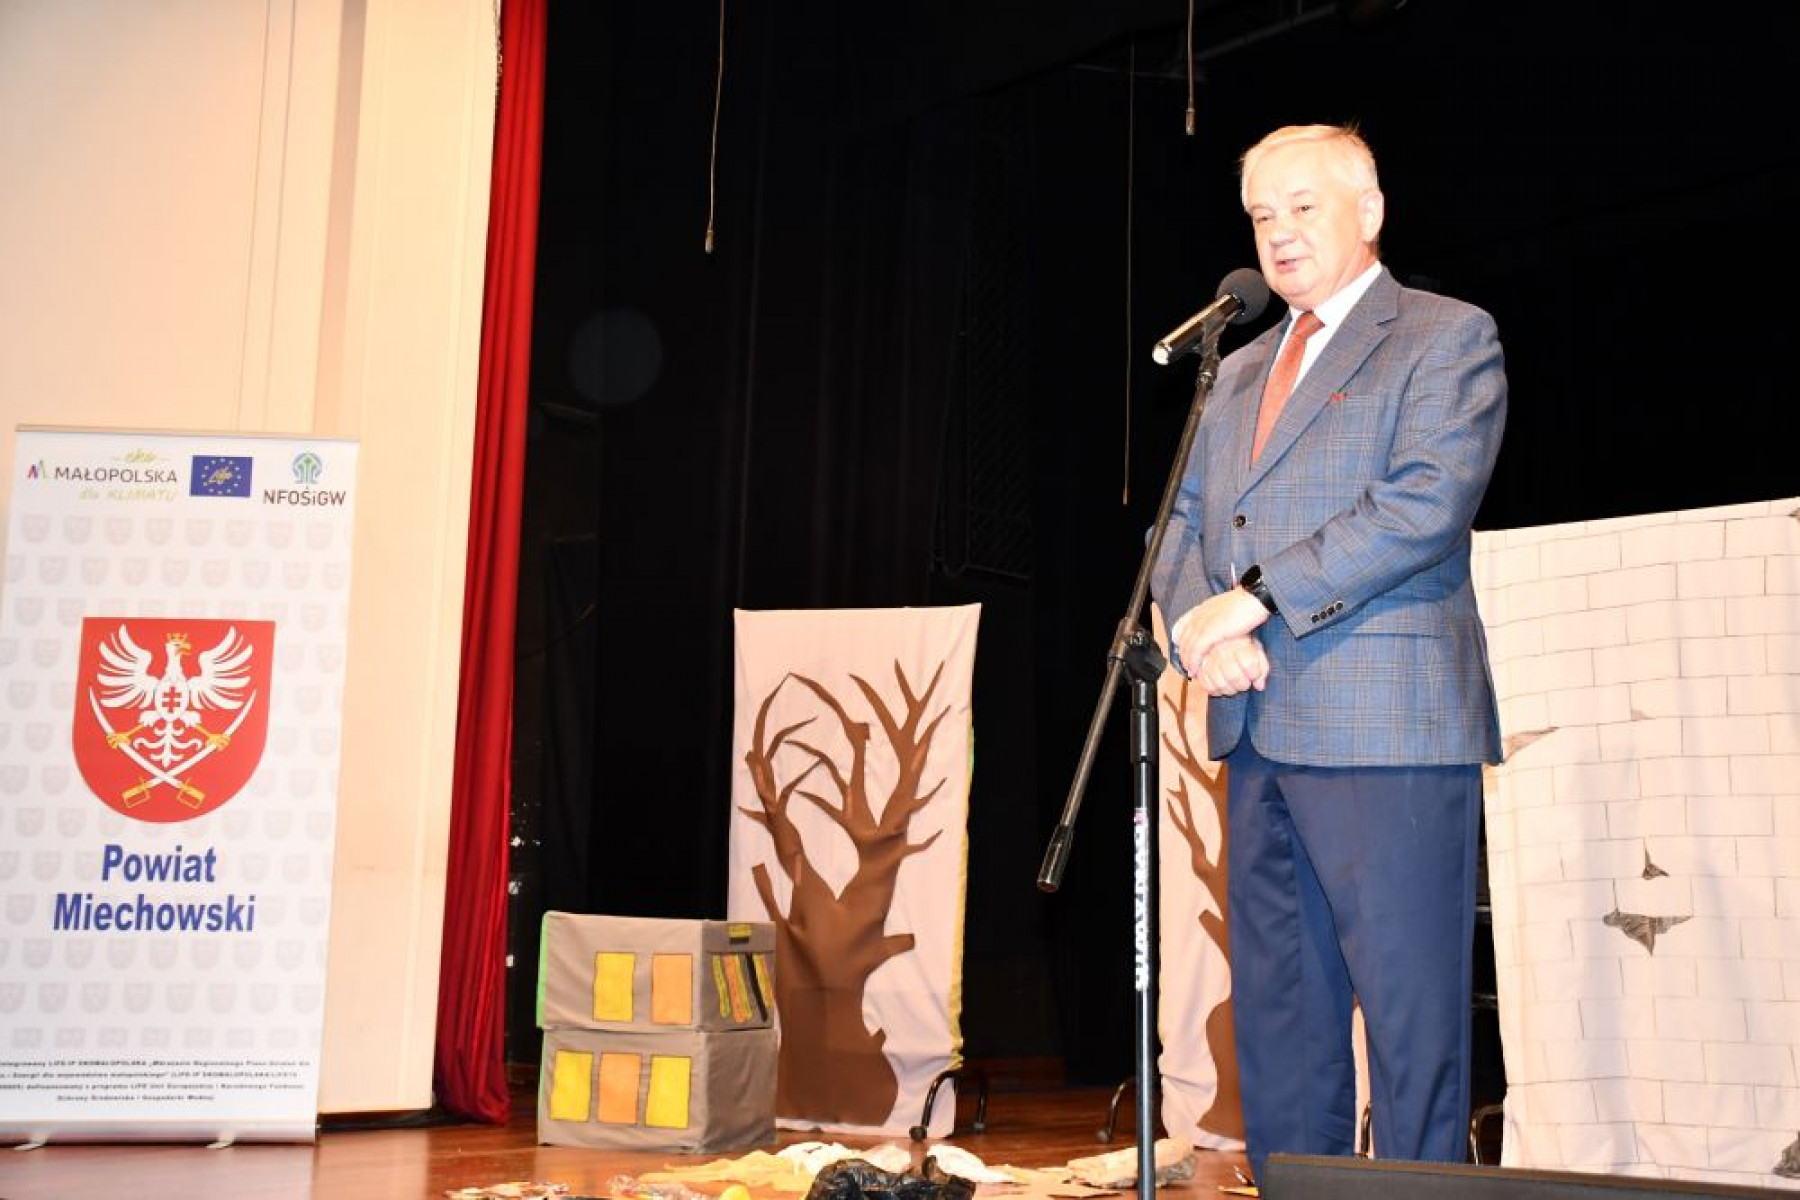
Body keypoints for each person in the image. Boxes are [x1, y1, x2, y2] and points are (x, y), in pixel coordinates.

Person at [1151, 123, 1506, 1182]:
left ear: (1371, 210)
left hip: (1387, 724)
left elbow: (1423, 505)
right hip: (1256, 722)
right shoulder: (1235, 370)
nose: (1280, 233)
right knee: (1282, 1019)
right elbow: (1180, 527)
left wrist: (1252, 604)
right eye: (1263, 215)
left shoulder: (1444, 335)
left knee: (1409, 1022)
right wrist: (1199, 631)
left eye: (1303, 207)